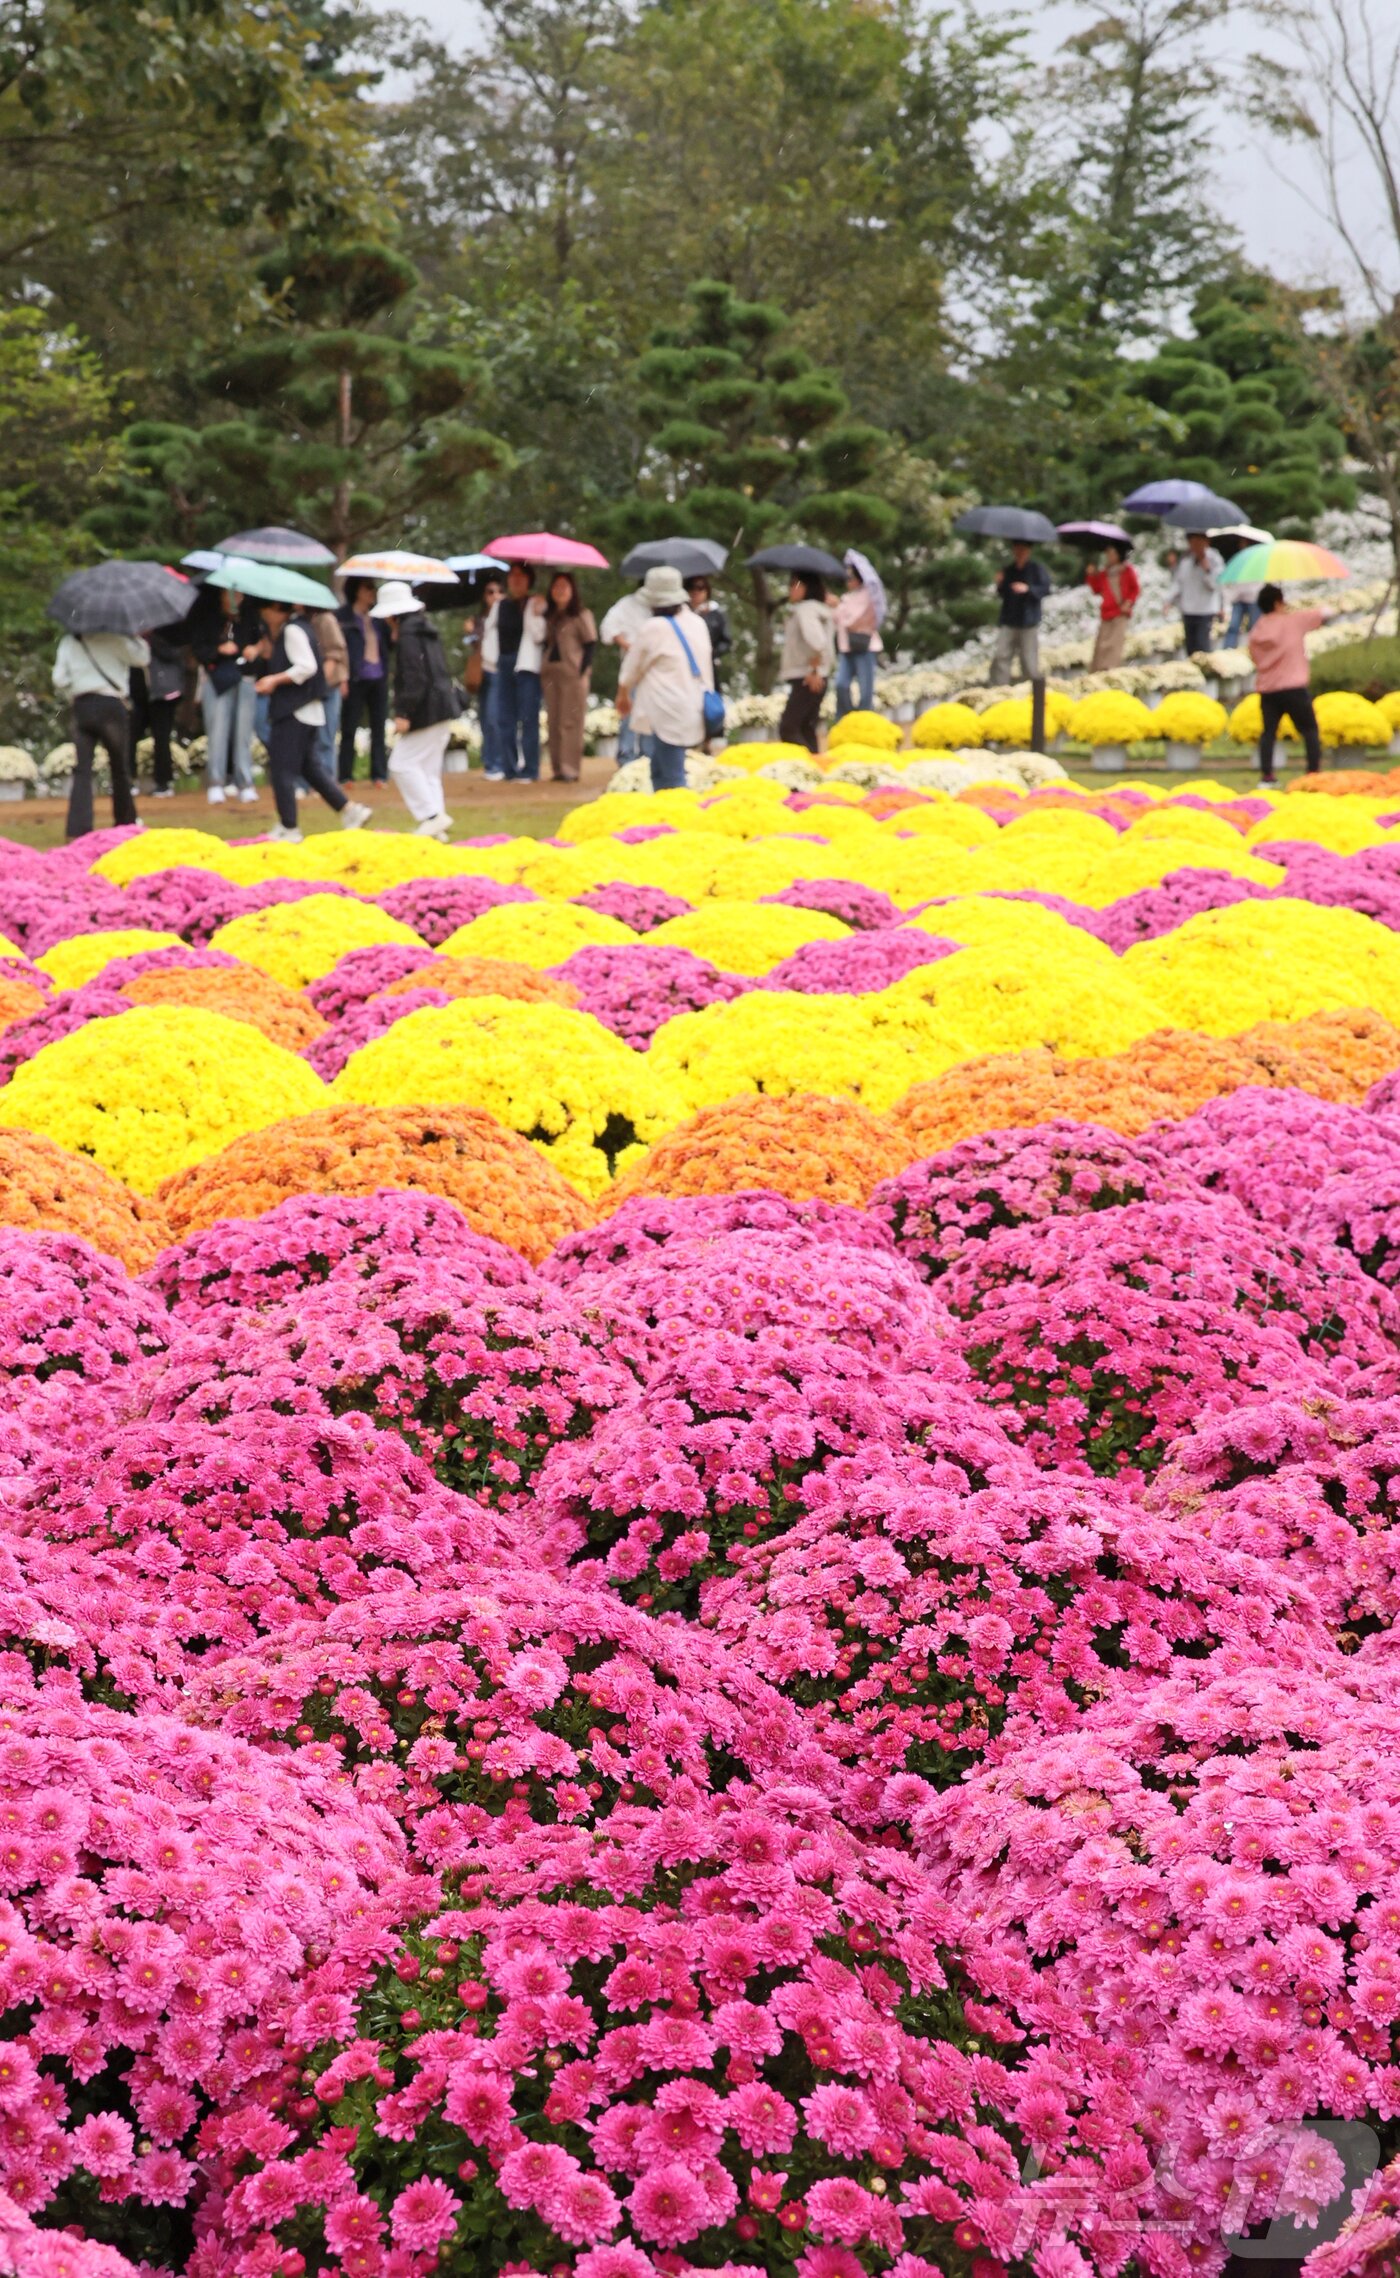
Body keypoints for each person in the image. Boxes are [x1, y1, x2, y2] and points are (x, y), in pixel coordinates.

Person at [254, 599, 371, 842]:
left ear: (277, 609)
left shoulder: (293, 629)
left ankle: (289, 826)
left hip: (296, 708)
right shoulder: (299, 628)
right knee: (310, 768)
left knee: (282, 769)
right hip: (307, 709)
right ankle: (350, 811)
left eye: (266, 609)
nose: (263, 614)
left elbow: (306, 666)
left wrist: (273, 680)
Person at [371, 580, 458, 839]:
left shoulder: (409, 635)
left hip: (426, 711)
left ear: (392, 614)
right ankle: (437, 829)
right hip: (442, 707)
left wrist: (404, 712)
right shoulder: (425, 630)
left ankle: (431, 817)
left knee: (401, 764)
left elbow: (414, 677)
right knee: (428, 771)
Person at [616, 564, 714, 789]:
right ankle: (665, 818)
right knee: (661, 769)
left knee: (671, 776)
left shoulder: (654, 627)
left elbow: (630, 669)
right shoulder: (697, 623)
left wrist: (623, 695)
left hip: (664, 710)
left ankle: (678, 821)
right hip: (693, 706)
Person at [52, 626, 146, 841]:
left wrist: (74, 690)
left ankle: (77, 828)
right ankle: (125, 821)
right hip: (111, 705)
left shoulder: (71, 640)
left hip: (83, 705)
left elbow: (59, 678)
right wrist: (135, 636)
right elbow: (142, 659)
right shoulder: (118, 638)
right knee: (119, 767)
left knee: (82, 769)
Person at [1247, 583, 1329, 785]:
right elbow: (1325, 613)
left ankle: (1267, 776)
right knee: (1309, 730)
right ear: (1277, 602)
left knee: (1268, 733)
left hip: (1269, 689)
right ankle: (1313, 772)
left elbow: (1254, 657)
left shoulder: (1257, 629)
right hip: (1293, 686)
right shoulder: (1292, 621)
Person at [189, 581, 259, 804]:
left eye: (239, 596)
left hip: (245, 677)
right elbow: (198, 648)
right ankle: (216, 782)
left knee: (243, 733)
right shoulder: (208, 617)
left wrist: (254, 649)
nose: (235, 600)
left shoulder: (250, 617)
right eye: (231, 596)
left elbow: (261, 641)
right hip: (217, 678)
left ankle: (244, 782)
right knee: (217, 731)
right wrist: (218, 650)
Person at [540, 572, 597, 783]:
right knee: (553, 721)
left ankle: (570, 768)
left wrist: (582, 671)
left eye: (564, 587)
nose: (560, 591)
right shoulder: (549, 616)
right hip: (551, 673)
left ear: (572, 590)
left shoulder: (581, 614)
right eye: (556, 587)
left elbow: (590, 644)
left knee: (571, 720)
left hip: (573, 673)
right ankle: (557, 768)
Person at [493, 563, 546, 781]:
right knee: (505, 718)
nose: (516, 580)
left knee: (528, 717)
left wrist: (535, 612)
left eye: (520, 576)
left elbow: (540, 635)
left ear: (528, 579)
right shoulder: (501, 605)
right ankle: (509, 767)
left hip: (528, 665)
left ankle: (531, 768)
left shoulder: (536, 603)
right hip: (504, 663)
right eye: (512, 576)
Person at [337, 577, 390, 782]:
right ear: (356, 590)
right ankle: (345, 775)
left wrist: (392, 629)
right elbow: (339, 649)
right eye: (368, 587)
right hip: (355, 679)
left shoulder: (379, 618)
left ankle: (379, 774)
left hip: (378, 677)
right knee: (349, 727)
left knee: (379, 727)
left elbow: (389, 646)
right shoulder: (343, 617)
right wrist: (343, 678)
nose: (372, 592)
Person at [777, 572, 835, 751]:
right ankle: (815, 770)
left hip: (808, 677)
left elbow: (817, 642)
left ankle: (805, 768)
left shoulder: (806, 609)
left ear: (808, 587)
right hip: (815, 675)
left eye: (796, 584)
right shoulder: (816, 608)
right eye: (790, 584)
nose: (791, 589)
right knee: (806, 728)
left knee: (788, 727)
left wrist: (814, 670)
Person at [130, 621, 186, 797]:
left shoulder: (167, 631)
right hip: (137, 695)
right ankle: (128, 780)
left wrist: (151, 638)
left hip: (161, 695)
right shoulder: (129, 635)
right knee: (130, 736)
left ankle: (163, 782)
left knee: (161, 738)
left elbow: (174, 654)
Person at [600, 581, 652, 766]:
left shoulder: (663, 606)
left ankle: (648, 756)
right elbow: (607, 628)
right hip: (632, 667)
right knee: (629, 711)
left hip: (655, 671)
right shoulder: (627, 604)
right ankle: (626, 755)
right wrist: (628, 645)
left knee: (650, 714)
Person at [990, 543, 1050, 683]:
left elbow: (1045, 589)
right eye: (1017, 549)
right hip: (1009, 619)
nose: (1020, 552)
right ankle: (1000, 687)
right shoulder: (1009, 570)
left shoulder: (1036, 569)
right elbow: (1003, 593)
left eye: (1023, 550)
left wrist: (1028, 589)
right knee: (1001, 655)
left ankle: (1032, 689)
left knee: (1028, 658)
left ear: (1028, 551)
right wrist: (999, 583)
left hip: (1028, 620)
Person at [466, 574, 504, 778]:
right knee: (485, 718)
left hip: (499, 672)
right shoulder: (479, 619)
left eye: (499, 591)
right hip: (482, 673)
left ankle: (496, 764)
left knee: (493, 717)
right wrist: (471, 633)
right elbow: (473, 645)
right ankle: (489, 761)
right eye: (490, 592)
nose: (495, 596)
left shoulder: (505, 616)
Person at [832, 561, 881, 714]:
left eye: (850, 577)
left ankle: (865, 717)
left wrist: (841, 609)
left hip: (864, 645)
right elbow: (836, 619)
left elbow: (854, 620)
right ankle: (847, 717)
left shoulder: (869, 594)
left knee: (865, 688)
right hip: (846, 646)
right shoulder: (847, 597)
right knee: (841, 684)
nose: (847, 581)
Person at [1084, 541, 1140, 672]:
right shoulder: (1104, 573)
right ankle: (1097, 671)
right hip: (1106, 612)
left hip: (1120, 613)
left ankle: (1109, 671)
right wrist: (1091, 575)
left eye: (1111, 553)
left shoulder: (1127, 570)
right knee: (1102, 645)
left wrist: (1128, 602)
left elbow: (1135, 589)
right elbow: (1097, 589)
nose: (1109, 556)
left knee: (1114, 646)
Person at [1168, 530, 1224, 657]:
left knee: (1202, 647)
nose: (1195, 546)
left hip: (1205, 610)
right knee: (1190, 648)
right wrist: (1168, 601)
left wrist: (1207, 570)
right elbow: (1178, 582)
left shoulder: (1214, 559)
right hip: (1188, 609)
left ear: (1206, 542)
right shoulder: (1186, 559)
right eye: (1192, 542)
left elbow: (1216, 585)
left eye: (1198, 542)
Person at [310, 606, 349, 785]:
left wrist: (323, 681)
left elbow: (336, 652)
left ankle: (327, 782)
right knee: (314, 736)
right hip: (311, 685)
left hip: (328, 684)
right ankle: (316, 781)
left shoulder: (326, 619)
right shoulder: (302, 620)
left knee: (326, 737)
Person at [684, 577, 731, 691]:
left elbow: (726, 641)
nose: (696, 591)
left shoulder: (716, 614)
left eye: (700, 588)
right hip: (684, 666)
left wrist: (711, 653)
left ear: (707, 591)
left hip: (708, 666)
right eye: (691, 587)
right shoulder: (679, 613)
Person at [1224, 578, 1263, 650]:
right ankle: (1228, 649)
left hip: (1254, 598)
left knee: (1256, 627)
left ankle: (1258, 649)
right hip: (1238, 598)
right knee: (1233, 627)